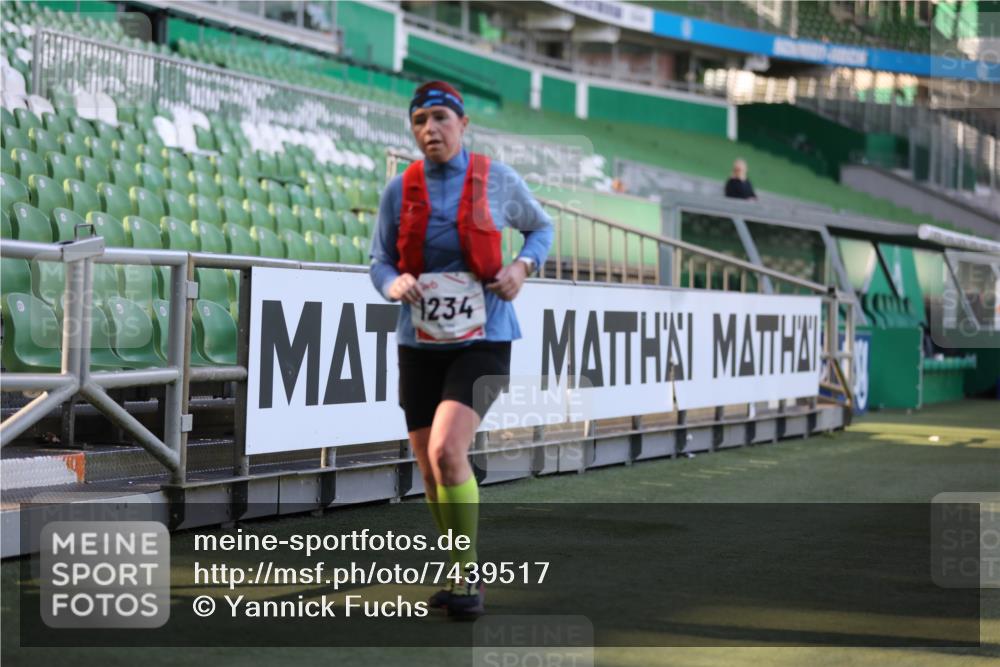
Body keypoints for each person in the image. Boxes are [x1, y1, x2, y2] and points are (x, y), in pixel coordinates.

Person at [369, 81, 554, 619]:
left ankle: (469, 577)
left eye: (441, 119)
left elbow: (541, 230)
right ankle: (455, 571)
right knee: (428, 469)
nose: (431, 129)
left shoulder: (498, 180)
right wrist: (392, 286)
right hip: (418, 342)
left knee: (449, 451)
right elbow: (379, 260)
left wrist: (522, 267)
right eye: (420, 120)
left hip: (487, 339)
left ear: (463, 124)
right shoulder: (400, 189)